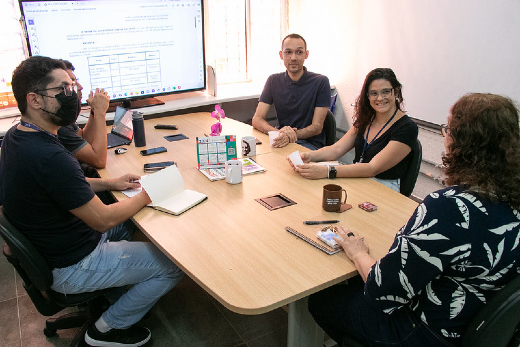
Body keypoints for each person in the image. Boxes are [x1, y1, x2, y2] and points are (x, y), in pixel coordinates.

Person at [308, 93, 520, 347]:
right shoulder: (512, 197)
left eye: (448, 128)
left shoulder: (450, 206)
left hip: (423, 332)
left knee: (322, 300)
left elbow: (381, 290)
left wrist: (357, 252)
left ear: (464, 142)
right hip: (475, 325)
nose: (445, 135)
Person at [0, 56, 184, 347]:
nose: (74, 94)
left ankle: (116, 293)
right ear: (34, 100)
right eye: (64, 89)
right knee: (173, 264)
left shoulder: (19, 136)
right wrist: (152, 192)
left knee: (130, 226)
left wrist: (110, 183)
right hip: (72, 264)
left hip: (57, 242)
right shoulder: (50, 155)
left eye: (73, 86)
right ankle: (104, 330)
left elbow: (63, 186)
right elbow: (104, 219)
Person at [289, 68, 418, 192]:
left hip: (384, 186)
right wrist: (309, 156)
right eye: (374, 93)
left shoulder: (407, 128)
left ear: (395, 92)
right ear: (367, 96)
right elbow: (337, 149)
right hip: (359, 177)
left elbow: (372, 168)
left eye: (385, 92)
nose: (379, 98)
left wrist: (327, 171)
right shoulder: (367, 119)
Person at [251, 33, 331, 150]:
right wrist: (279, 134)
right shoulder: (273, 80)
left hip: (309, 145)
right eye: (288, 52)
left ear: (306, 54)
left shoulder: (321, 82)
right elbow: (257, 119)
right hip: (281, 140)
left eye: (299, 52)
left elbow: (317, 127)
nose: (293, 58)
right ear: (281, 55)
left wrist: (290, 136)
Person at [57, 60, 108, 170]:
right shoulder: (59, 128)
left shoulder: (64, 118)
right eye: (71, 83)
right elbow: (99, 161)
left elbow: (85, 138)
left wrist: (94, 111)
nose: (80, 87)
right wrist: (100, 112)